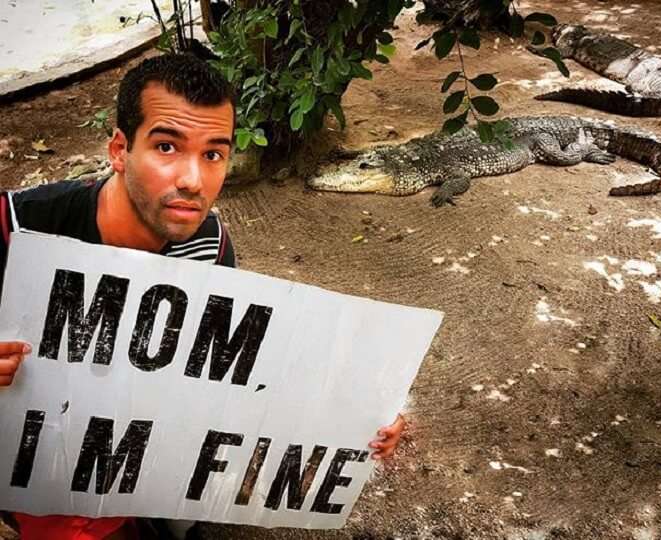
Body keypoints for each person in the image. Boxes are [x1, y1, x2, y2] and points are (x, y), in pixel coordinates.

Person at [0, 54, 405, 539]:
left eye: (213, 153)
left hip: (128, 463)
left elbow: (229, 376)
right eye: (167, 146)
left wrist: (358, 417)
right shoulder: (18, 228)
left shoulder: (209, 247)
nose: (193, 180)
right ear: (119, 149)